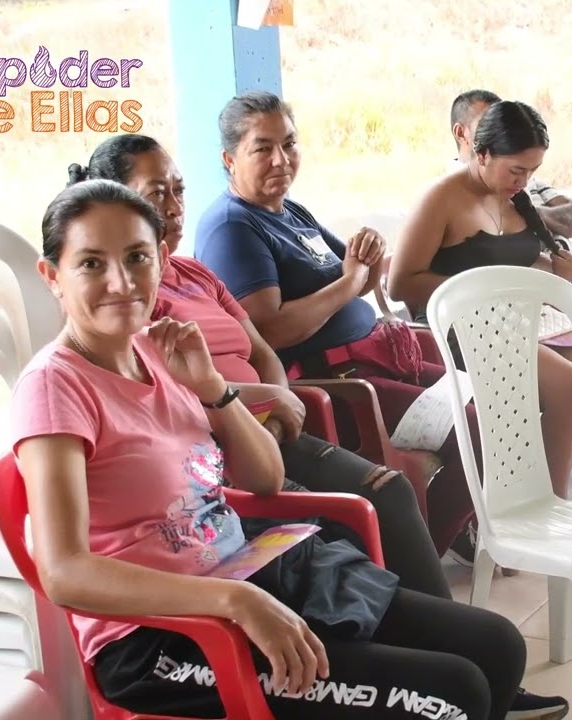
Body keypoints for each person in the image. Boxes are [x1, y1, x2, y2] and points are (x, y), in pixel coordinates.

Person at [9, 179, 540, 719]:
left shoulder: (160, 352)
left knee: (497, 649)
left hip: (246, 573)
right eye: (91, 264)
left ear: (162, 259)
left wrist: (214, 390)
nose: (121, 282)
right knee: (453, 694)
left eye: (137, 257)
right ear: (52, 276)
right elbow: (64, 571)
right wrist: (234, 602)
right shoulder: (56, 386)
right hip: (158, 639)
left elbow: (263, 479)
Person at [68, 134, 449, 600]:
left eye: (179, 190)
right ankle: (406, 627)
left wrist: (279, 398)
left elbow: (261, 350)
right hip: (215, 443)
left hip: (265, 425)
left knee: (388, 491)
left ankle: (426, 622)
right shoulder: (128, 300)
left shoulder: (193, 275)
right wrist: (257, 403)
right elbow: (161, 391)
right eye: (156, 193)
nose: (172, 206)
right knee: (343, 525)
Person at [191, 91, 485, 567]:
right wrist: (350, 283)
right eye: (262, 148)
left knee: (494, 406)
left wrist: (367, 253)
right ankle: (419, 560)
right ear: (229, 159)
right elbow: (271, 330)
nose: (281, 160)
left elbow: (362, 277)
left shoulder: (290, 211)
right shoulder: (232, 227)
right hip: (341, 381)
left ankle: (435, 541)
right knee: (476, 431)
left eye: (289, 144)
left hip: (375, 357)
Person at [391, 100, 572, 500]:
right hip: (464, 329)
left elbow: (517, 256)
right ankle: (548, 510)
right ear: (481, 153)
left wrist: (558, 267)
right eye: (517, 170)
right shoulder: (442, 198)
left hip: (521, 322)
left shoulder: (512, 196)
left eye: (533, 171)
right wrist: (479, 286)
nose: (524, 181)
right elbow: (400, 283)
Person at [450, 90, 572, 239]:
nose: (523, 181)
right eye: (487, 123)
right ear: (461, 133)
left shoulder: (526, 178)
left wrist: (529, 212)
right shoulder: (450, 196)